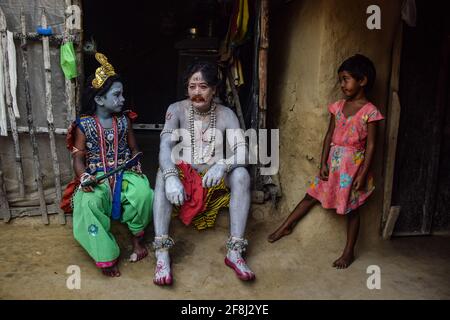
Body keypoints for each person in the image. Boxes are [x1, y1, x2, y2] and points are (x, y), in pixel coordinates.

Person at [268, 54, 384, 269]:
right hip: (333, 164)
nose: (342, 84)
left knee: (352, 210)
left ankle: (348, 252)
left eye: (346, 79)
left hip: (352, 168)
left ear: (363, 80)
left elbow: (371, 146)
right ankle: (285, 226)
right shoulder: (338, 107)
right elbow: (329, 135)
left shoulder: (370, 112)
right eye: (340, 79)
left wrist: (362, 173)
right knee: (310, 195)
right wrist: (323, 163)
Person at [152, 60, 255, 285]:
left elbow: (245, 153)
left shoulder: (226, 114)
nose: (196, 92)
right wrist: (171, 178)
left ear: (214, 89)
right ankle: (162, 253)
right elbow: (165, 147)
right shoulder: (176, 109)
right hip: (185, 176)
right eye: (192, 86)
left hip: (213, 180)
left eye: (203, 87)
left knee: (241, 175)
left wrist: (222, 165)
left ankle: (235, 252)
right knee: (162, 173)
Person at [61, 53, 154, 277]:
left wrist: (135, 159)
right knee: (88, 204)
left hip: (125, 172)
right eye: (117, 95)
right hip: (96, 176)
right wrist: (84, 178)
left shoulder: (124, 120)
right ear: (99, 99)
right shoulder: (84, 124)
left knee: (143, 194)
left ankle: (137, 241)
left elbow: (134, 149)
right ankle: (105, 255)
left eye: (122, 94)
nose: (122, 99)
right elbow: (78, 158)